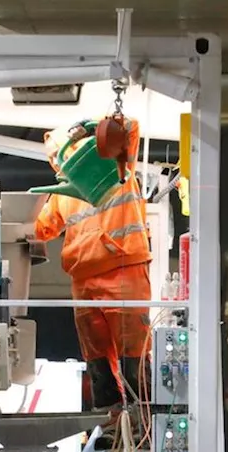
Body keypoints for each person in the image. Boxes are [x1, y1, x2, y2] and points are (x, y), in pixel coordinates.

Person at [35, 116, 151, 413]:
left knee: (132, 355)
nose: (58, 161)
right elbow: (38, 227)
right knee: (98, 359)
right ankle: (112, 423)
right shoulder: (64, 192)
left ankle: (142, 423)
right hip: (85, 280)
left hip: (122, 269)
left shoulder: (115, 163)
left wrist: (90, 126)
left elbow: (129, 126)